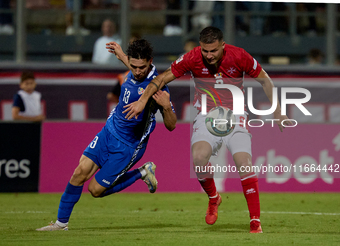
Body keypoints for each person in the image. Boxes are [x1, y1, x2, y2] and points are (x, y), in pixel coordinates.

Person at [113, 26, 293, 233]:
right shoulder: (192, 57)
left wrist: (278, 111)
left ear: (223, 46)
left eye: (213, 51)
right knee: (198, 158)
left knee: (243, 162)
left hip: (236, 114)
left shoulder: (239, 55)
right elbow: (161, 79)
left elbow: (264, 79)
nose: (208, 56)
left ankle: (255, 221)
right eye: (205, 51)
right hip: (206, 115)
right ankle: (214, 198)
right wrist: (143, 100)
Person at [36, 39, 177, 231]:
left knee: (95, 190)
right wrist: (119, 53)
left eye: (141, 67)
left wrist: (167, 106)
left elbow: (171, 125)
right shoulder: (135, 67)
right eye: (133, 66)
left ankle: (142, 172)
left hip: (128, 147)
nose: (136, 71)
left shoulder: (158, 88)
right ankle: (61, 224)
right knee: (79, 173)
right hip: (108, 132)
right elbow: (130, 63)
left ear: (150, 61)